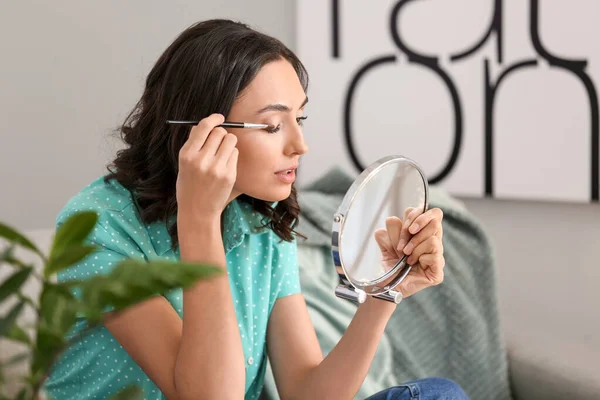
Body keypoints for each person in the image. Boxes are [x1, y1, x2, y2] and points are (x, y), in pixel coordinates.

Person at [44, 19, 469, 400]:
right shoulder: (98, 227)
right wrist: (200, 220)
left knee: (438, 395)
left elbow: (308, 392)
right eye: (272, 125)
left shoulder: (259, 218)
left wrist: (385, 290)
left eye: (299, 119)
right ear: (200, 132)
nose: (299, 146)